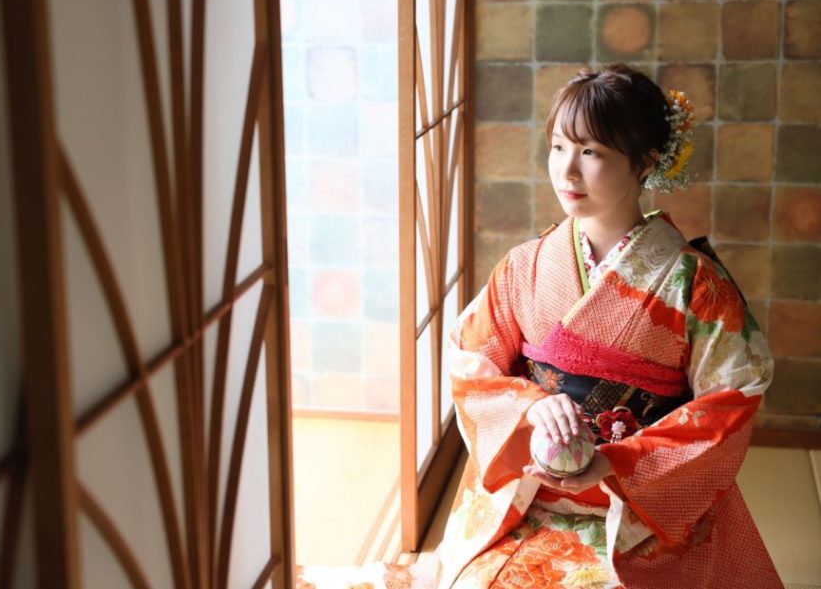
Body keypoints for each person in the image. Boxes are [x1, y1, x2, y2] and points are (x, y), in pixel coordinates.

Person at [296, 64, 782, 588]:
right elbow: (471, 361)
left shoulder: (695, 284)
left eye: (590, 152)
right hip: (527, 496)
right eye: (558, 147)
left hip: (640, 513)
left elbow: (733, 395)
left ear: (644, 163)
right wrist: (531, 406)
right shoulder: (525, 266)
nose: (567, 171)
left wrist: (617, 462)